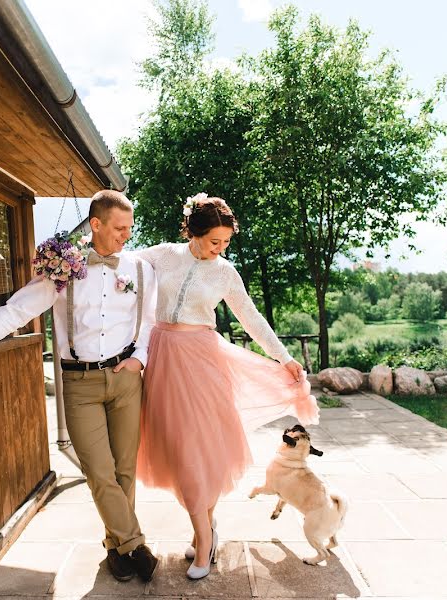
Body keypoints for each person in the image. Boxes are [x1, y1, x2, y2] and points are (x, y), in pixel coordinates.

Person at [0, 190, 160, 583]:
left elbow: (151, 321)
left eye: (130, 229)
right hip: (80, 382)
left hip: (125, 379)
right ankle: (136, 543)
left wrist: (140, 358)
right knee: (99, 471)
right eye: (119, 228)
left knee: (123, 471)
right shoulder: (63, 267)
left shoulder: (140, 269)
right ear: (96, 225)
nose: (126, 236)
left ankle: (117, 547)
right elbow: (17, 309)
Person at [133, 194, 319, 580]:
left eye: (226, 243)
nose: (220, 249)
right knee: (175, 448)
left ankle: (204, 539)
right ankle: (208, 528)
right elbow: (121, 262)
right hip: (163, 358)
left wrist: (284, 357)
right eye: (214, 241)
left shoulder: (225, 272)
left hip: (202, 363)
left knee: (197, 450)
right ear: (193, 233)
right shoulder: (162, 255)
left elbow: (251, 317)